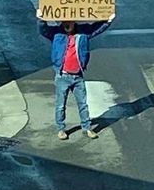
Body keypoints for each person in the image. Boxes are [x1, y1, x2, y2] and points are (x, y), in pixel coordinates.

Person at [37, 10, 115, 140]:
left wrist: (108, 20)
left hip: (78, 76)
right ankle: (61, 129)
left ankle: (87, 128)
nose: (68, 24)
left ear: (74, 21)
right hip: (62, 75)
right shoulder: (56, 33)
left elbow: (97, 28)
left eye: (70, 21)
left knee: (83, 104)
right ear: (62, 22)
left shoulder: (83, 32)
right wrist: (40, 19)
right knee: (60, 105)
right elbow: (43, 30)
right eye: (65, 22)